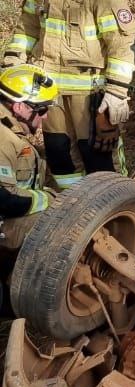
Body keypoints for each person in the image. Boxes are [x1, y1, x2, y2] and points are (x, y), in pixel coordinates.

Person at [4, 0, 135, 188]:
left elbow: (120, 44)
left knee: (100, 159)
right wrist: (13, 62)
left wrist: (116, 93)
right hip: (49, 91)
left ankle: (116, 210)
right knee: (60, 157)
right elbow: (28, 26)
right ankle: (71, 209)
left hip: (89, 93)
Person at [0, 64, 56, 253]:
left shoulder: (11, 130)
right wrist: (51, 199)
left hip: (10, 215)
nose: (45, 116)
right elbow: (5, 199)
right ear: (19, 106)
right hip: (6, 221)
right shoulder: (3, 138)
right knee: (63, 226)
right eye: (42, 109)